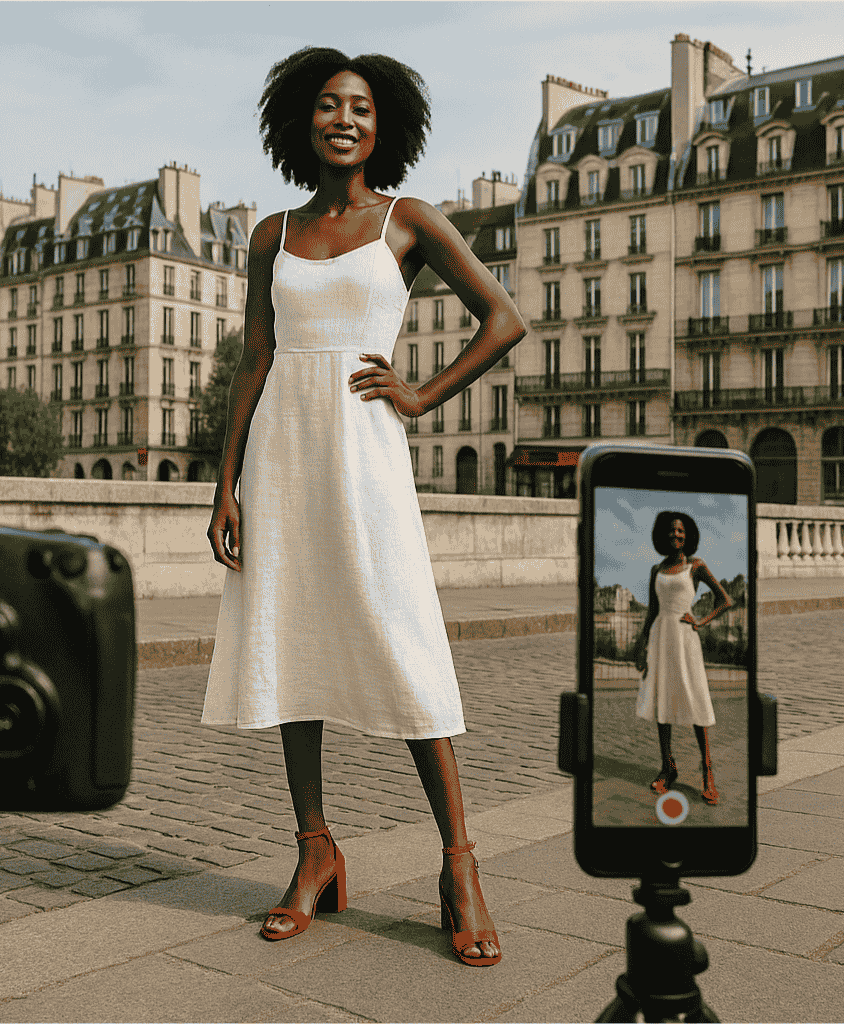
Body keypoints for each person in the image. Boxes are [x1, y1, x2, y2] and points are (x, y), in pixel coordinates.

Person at [202, 47, 526, 966]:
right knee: (286, 639)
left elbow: (503, 318)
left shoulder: (408, 220)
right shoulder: (271, 234)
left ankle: (459, 865)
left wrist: (422, 395)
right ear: (302, 121)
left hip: (367, 458)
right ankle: (315, 852)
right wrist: (224, 483)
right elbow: (254, 361)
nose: (345, 119)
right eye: (329, 106)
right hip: (281, 458)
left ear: (385, 129)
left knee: (406, 642)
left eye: (363, 109)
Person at [631, 512, 733, 806]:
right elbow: (652, 612)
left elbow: (724, 599)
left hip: (685, 640)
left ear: (688, 535)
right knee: (662, 701)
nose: (676, 536)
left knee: (695, 701)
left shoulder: (696, 566)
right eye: (671, 532)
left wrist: (701, 622)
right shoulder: (657, 569)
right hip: (660, 639)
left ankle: (707, 773)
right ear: (662, 536)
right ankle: (668, 766)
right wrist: (640, 648)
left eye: (681, 532)